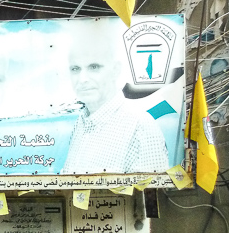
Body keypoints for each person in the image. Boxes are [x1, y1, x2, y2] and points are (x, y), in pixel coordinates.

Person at [61, 27, 169, 175]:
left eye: (94, 67)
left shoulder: (140, 126)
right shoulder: (81, 122)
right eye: (75, 69)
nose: (83, 79)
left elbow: (149, 192)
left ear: (115, 70)